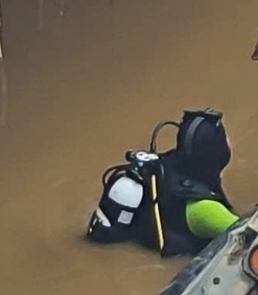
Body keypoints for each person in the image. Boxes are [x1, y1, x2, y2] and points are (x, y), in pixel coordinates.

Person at [88, 110, 240, 257]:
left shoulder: (167, 165)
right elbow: (248, 235)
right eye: (225, 139)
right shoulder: (205, 209)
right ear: (218, 152)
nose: (229, 142)